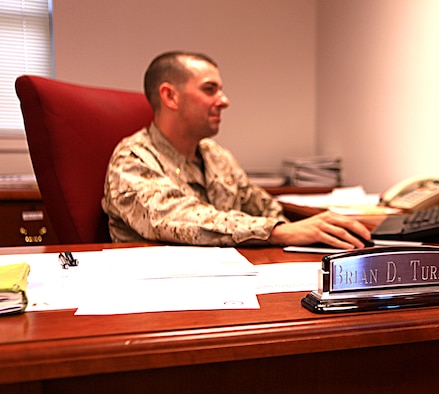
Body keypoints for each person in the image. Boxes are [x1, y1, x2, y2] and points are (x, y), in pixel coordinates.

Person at [102, 51, 371, 248]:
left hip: (227, 284)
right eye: (210, 90)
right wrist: (277, 232)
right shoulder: (132, 158)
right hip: (158, 295)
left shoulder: (216, 156)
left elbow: (262, 206)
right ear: (170, 96)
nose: (224, 101)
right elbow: (175, 218)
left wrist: (303, 233)